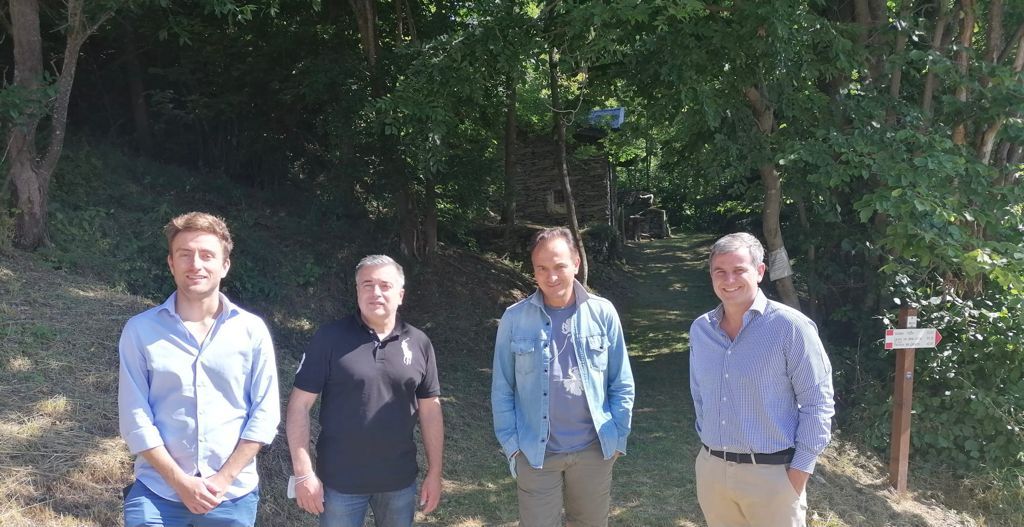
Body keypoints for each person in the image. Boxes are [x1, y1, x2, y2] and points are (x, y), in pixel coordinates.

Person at [118, 212, 281, 527]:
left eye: (207, 255)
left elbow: (265, 414)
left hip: (231, 494)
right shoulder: (140, 330)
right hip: (158, 492)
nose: (196, 264)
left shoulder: (252, 331)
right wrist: (180, 482)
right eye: (185, 254)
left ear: (225, 265)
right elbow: (135, 418)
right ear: (171, 263)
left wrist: (222, 480)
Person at [689, 232, 835, 527]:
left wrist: (798, 475)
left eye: (739, 270)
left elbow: (818, 403)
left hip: (773, 477)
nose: (729, 279)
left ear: (759, 271)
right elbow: (699, 395)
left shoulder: (790, 327)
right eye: (720, 271)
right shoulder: (701, 329)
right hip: (713, 473)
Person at [286, 254, 443, 527]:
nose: (376, 292)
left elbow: (431, 411)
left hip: (399, 481)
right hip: (339, 483)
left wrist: (435, 473)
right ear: (357, 291)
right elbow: (299, 406)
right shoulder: (329, 338)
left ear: (400, 294)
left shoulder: (419, 343)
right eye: (367, 285)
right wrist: (303, 473)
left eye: (385, 285)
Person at [492, 227, 635, 527]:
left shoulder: (603, 313)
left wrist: (618, 438)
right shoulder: (514, 318)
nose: (551, 276)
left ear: (576, 263)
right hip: (535, 453)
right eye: (541, 268)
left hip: (594, 451)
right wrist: (512, 447)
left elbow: (621, 382)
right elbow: (502, 388)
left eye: (559, 266)